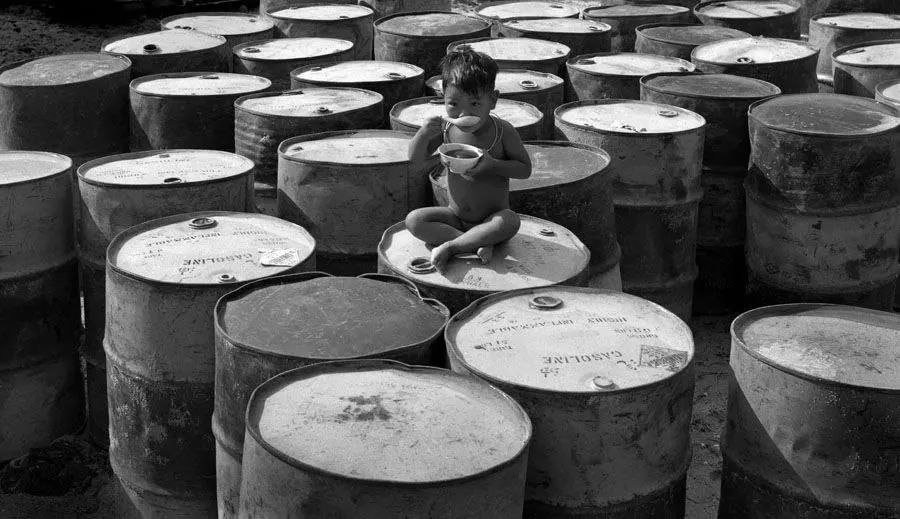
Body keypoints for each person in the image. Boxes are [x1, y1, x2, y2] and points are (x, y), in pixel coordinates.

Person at [406, 49, 532, 272]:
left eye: (474, 104)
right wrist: (423, 133)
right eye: (454, 104)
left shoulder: (503, 131)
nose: (463, 114)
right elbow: (415, 159)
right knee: (414, 220)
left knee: (510, 221)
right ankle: (475, 242)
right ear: (443, 98)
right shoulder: (447, 128)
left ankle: (453, 246)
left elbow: (524, 169)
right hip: (455, 217)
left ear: (493, 100)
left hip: (492, 219)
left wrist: (493, 165)